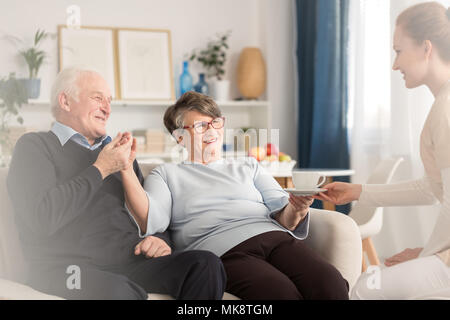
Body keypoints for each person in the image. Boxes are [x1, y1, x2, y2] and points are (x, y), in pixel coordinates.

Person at [6, 67, 226, 300]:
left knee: (205, 264)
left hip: (128, 262)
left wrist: (160, 241)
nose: (107, 108)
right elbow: (42, 218)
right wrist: (100, 169)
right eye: (97, 98)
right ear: (65, 101)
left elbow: (152, 217)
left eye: (109, 101)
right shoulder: (35, 146)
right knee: (118, 292)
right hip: (67, 269)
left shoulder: (118, 154)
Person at [120, 90, 349, 300]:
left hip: (277, 239)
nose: (211, 131)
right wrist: (127, 169)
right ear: (180, 137)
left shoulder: (249, 166)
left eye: (215, 122)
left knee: (330, 283)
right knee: (280, 293)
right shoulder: (167, 173)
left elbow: (285, 218)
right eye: (201, 126)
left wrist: (297, 208)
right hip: (224, 252)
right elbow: (152, 218)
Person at [314, 2, 450, 300]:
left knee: (362, 289)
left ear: (427, 48)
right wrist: (358, 191)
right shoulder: (441, 103)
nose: (394, 64)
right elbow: (431, 189)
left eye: (399, 51)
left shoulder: (445, 110)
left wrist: (429, 256)